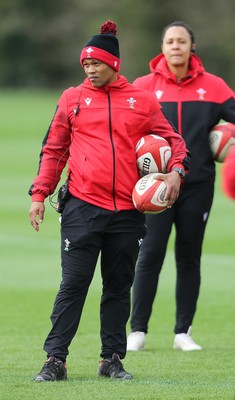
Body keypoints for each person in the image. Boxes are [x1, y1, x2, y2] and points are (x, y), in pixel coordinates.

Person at [28, 20, 190, 381]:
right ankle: (55, 360)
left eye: (96, 64)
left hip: (129, 211)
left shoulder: (142, 101)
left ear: (114, 64)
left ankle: (112, 360)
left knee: (118, 287)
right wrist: (39, 194)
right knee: (73, 285)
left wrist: (176, 171)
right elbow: (53, 150)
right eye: (85, 65)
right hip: (82, 207)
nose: (90, 70)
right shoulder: (72, 98)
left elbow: (174, 141)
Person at [127, 21, 235, 352]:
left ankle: (182, 332)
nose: (176, 46)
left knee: (189, 257)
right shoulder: (143, 86)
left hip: (197, 184)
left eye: (182, 41)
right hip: (156, 186)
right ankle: (138, 332)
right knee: (150, 254)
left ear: (192, 47)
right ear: (162, 47)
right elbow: (125, 129)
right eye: (170, 41)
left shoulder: (215, 87)